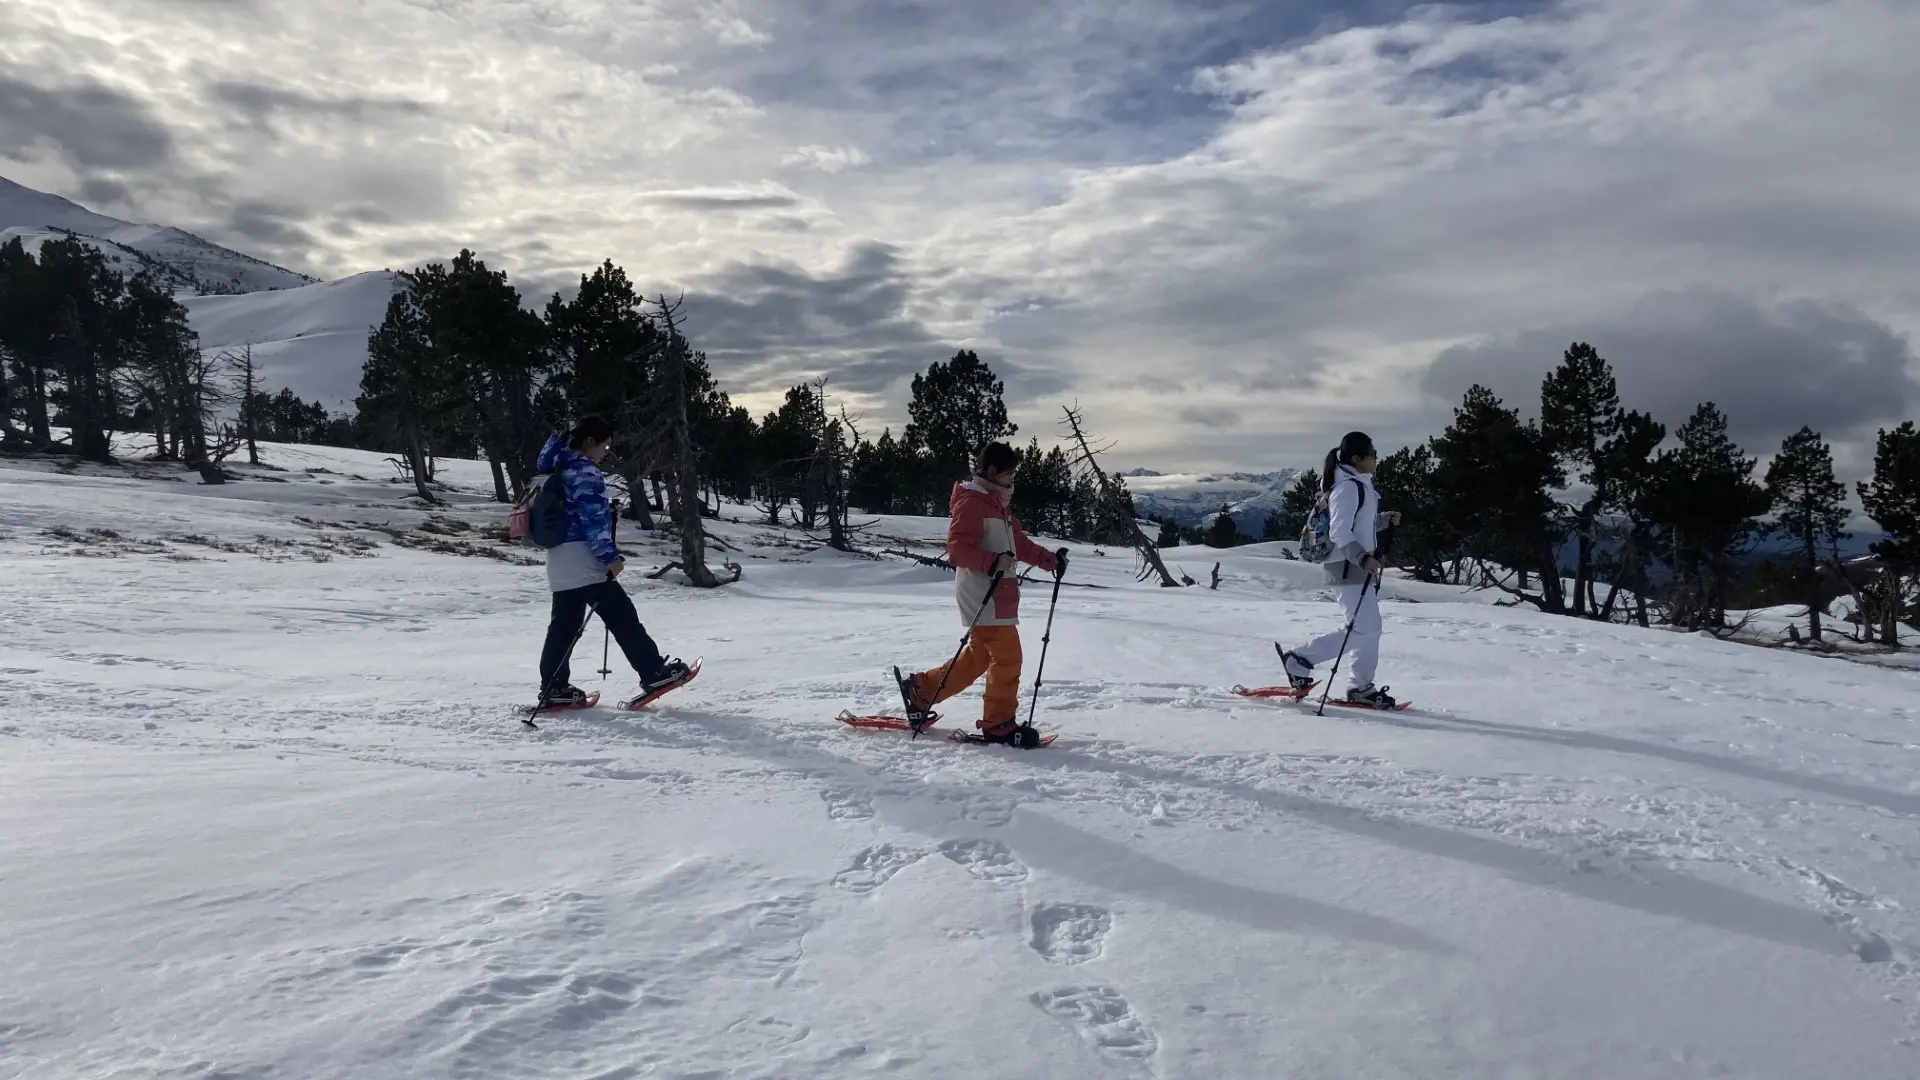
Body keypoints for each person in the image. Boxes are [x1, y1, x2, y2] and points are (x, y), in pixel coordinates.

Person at [894, 441, 1066, 745]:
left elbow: (1020, 545)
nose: (1012, 479)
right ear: (990, 471)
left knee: (977, 659)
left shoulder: (998, 506)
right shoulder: (972, 503)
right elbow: (957, 550)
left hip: (998, 596)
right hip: (982, 594)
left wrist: (1050, 560)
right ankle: (999, 724)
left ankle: (919, 692)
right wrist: (992, 562)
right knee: (1008, 657)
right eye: (1008, 473)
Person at [534, 417, 692, 708]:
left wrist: (608, 513)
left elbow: (577, 512)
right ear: (589, 442)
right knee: (622, 617)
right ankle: (654, 672)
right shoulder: (585, 472)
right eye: (605, 444)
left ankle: (553, 687)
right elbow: (592, 521)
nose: (606, 451)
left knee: (564, 626)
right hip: (585, 559)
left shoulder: (558, 466)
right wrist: (611, 557)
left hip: (558, 559)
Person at [1277, 431, 1402, 708]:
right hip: (1347, 566)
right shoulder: (1348, 488)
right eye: (1373, 455)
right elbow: (1339, 530)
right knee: (1361, 628)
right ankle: (1301, 660)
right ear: (1357, 458)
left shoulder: (1357, 485)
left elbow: (1357, 524)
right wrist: (1362, 558)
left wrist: (1381, 520)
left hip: (1351, 566)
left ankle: (1359, 686)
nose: (1377, 460)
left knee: (1368, 628)